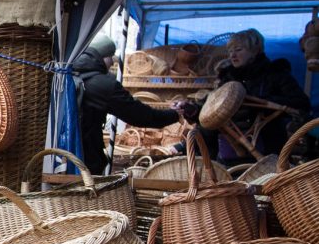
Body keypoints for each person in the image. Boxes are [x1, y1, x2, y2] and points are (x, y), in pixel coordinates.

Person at [75, 34, 187, 175]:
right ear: (105, 57)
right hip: (87, 162)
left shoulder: (68, 74)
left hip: (63, 156)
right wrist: (174, 114)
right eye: (111, 59)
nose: (112, 64)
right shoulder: (104, 84)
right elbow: (140, 116)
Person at [206, 28, 311, 162]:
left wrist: (262, 103)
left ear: (255, 50)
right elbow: (212, 105)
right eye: (230, 51)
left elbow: (301, 103)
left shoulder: (275, 73)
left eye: (238, 50)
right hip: (231, 150)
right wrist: (192, 110)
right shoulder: (228, 78)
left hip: (268, 147)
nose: (232, 55)